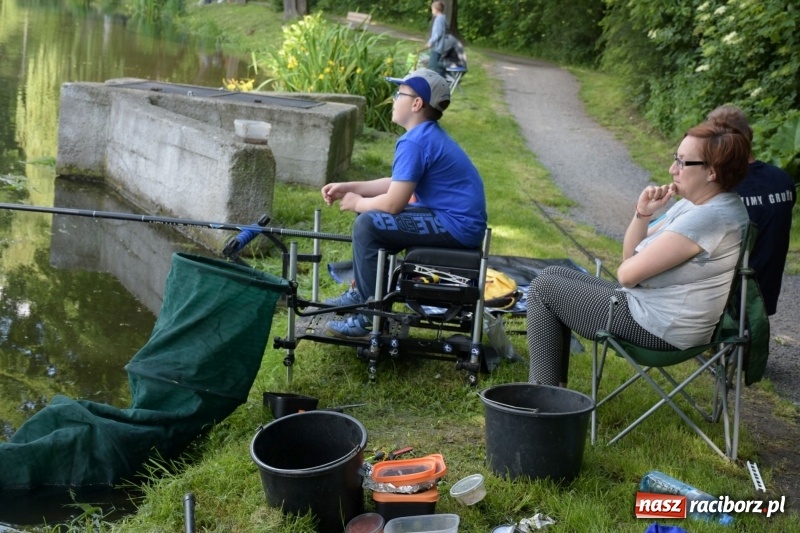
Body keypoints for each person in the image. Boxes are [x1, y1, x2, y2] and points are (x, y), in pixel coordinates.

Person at [527, 123, 751, 386]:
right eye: (674, 159)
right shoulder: (704, 203)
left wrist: (633, 271)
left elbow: (626, 274)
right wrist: (643, 213)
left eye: (682, 162)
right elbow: (630, 257)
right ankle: (550, 392)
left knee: (543, 288)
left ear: (711, 172)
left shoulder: (707, 218)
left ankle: (543, 399)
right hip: (660, 316)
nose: (672, 169)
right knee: (553, 274)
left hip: (660, 330)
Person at [321, 68, 487, 338]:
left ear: (416, 103)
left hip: (456, 226)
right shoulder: (426, 136)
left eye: (399, 94)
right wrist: (350, 187)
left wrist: (357, 202)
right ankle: (363, 293)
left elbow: (393, 204)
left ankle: (370, 317)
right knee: (371, 218)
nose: (394, 99)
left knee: (367, 224)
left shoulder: (415, 142)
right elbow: (397, 183)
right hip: (453, 219)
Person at [706, 104, 797, 315]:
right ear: (750, 135)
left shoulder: (723, 184)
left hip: (724, 298)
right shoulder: (782, 179)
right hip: (764, 295)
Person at [425, 2, 448, 77]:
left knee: (433, 66)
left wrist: (431, 42)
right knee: (438, 64)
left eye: (432, 10)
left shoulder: (439, 19)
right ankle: (444, 77)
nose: (432, 11)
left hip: (437, 47)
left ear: (436, 10)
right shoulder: (443, 18)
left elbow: (438, 34)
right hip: (440, 46)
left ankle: (439, 80)